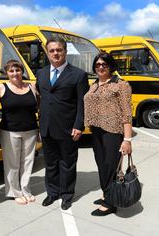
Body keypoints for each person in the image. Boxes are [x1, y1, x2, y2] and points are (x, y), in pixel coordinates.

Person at [36, 37, 89, 210]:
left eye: (59, 50)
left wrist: (79, 125)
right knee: (50, 163)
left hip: (68, 128)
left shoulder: (79, 75)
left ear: (65, 52)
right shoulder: (41, 73)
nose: (55, 53)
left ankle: (67, 195)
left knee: (67, 163)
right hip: (47, 128)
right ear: (47, 53)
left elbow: (82, 103)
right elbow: (41, 100)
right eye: (52, 50)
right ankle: (52, 193)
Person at [84, 52, 133, 216]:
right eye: (97, 65)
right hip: (96, 131)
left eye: (104, 64)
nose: (100, 67)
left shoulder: (121, 85)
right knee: (101, 165)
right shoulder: (94, 84)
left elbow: (127, 113)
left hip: (112, 131)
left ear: (111, 66)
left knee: (111, 166)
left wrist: (127, 139)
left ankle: (110, 203)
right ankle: (107, 194)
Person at [0, 60, 38, 205]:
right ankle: (15, 192)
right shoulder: (1, 88)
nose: (15, 73)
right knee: (12, 163)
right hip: (9, 131)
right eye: (11, 71)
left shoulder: (31, 87)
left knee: (28, 162)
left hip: (31, 130)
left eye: (18, 70)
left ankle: (26, 189)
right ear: (6, 73)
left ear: (22, 71)